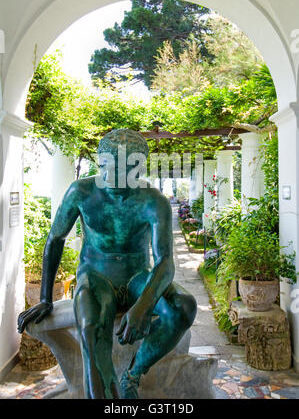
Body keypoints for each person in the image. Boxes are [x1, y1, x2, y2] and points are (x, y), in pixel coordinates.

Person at [18, 129, 197, 399]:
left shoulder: (153, 201)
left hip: (138, 277)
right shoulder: (81, 192)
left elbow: (165, 262)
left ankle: (133, 375)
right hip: (96, 276)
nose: (110, 175)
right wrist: (45, 298)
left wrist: (144, 307)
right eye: (105, 167)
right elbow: (55, 239)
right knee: (92, 327)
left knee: (183, 306)